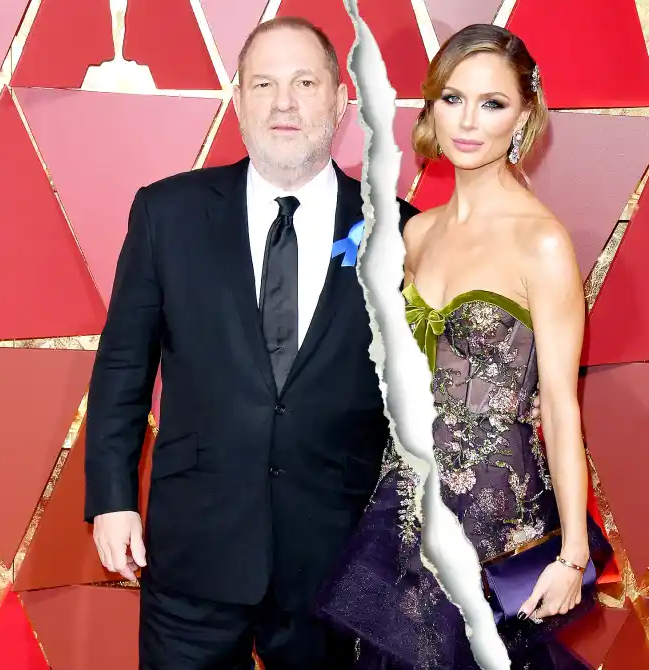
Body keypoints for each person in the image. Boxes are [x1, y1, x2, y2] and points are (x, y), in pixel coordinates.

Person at [83, 17, 422, 670]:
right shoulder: (167, 214)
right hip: (192, 555)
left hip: (337, 562)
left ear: (341, 100)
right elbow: (124, 364)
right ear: (238, 100)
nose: (283, 102)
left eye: (304, 82)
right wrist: (113, 498)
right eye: (263, 83)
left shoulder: (402, 231)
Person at [315, 24, 611, 669]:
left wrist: (571, 554)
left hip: (497, 514)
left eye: (493, 103)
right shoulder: (416, 232)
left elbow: (561, 407)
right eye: (453, 98)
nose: (469, 121)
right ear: (430, 107)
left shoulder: (542, 242)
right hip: (406, 503)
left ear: (524, 114)